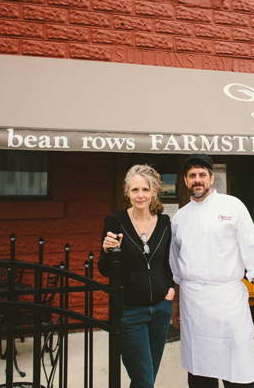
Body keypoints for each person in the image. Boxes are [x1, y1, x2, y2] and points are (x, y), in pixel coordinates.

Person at [170, 153, 254, 388]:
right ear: (185, 181)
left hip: (228, 304)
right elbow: (176, 267)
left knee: (238, 372)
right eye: (192, 175)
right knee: (199, 375)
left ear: (211, 178)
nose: (198, 180)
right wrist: (175, 305)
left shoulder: (233, 206)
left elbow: (253, 255)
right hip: (192, 305)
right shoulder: (179, 218)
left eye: (202, 175)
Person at [98, 164, 175, 388]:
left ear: (154, 191)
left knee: (147, 378)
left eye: (144, 189)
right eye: (134, 190)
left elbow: (166, 263)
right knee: (144, 380)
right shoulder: (115, 222)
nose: (140, 195)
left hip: (161, 309)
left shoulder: (164, 223)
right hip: (130, 311)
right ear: (127, 193)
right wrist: (106, 251)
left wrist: (170, 289)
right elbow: (105, 270)